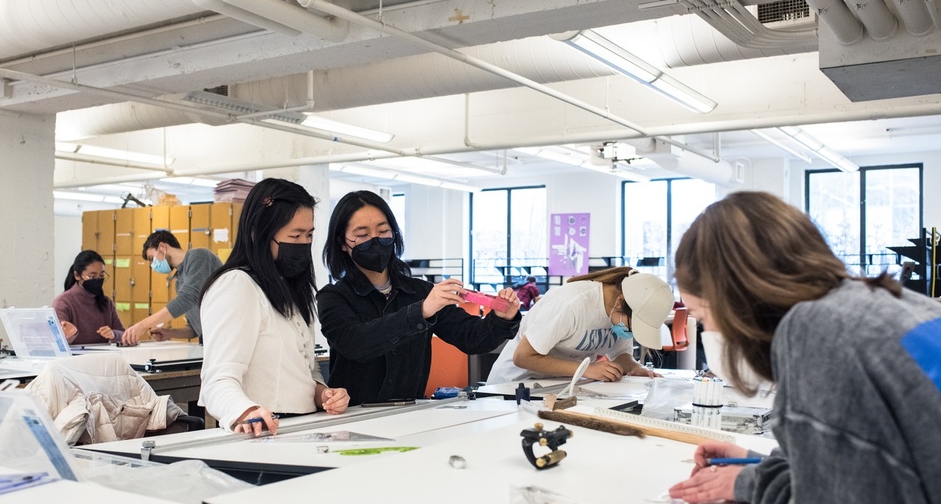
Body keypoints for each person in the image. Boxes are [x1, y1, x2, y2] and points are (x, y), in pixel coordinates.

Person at [666, 191, 940, 504]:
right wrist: (770, 462)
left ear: (736, 296)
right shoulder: (890, 301)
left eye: (703, 317)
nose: (709, 333)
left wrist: (749, 482)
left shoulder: (816, 328)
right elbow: (886, 461)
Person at [317, 190, 521, 406]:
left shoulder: (421, 292)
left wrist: (501, 318)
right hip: (352, 417)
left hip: (412, 415)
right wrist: (420, 312)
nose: (375, 240)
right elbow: (357, 344)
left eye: (383, 231)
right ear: (342, 242)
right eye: (362, 235)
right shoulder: (333, 297)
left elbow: (472, 338)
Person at [198, 178, 349, 435]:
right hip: (264, 433)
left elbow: (302, 367)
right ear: (259, 233)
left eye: (309, 235)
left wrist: (323, 394)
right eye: (295, 235)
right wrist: (245, 411)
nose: (304, 243)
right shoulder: (237, 285)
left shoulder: (290, 288)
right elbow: (217, 380)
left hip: (303, 428)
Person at [486, 267, 672, 384]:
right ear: (621, 301)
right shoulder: (570, 303)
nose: (630, 333)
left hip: (557, 387)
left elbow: (621, 355)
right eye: (633, 327)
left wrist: (636, 368)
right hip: (512, 388)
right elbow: (523, 357)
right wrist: (587, 369)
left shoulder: (620, 312)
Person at [121, 230, 222, 345]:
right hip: (208, 340)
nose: (152, 265)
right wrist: (169, 333)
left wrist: (142, 325)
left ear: (162, 247)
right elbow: (195, 328)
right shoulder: (179, 282)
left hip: (225, 334)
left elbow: (188, 298)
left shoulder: (199, 256)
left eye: (151, 258)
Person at [52, 250, 125, 345]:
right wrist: (70, 334)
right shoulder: (63, 303)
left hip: (102, 358)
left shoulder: (106, 302)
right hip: (75, 358)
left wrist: (113, 334)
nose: (98, 280)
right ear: (77, 275)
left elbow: (124, 334)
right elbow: (58, 342)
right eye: (92, 276)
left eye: (102, 275)